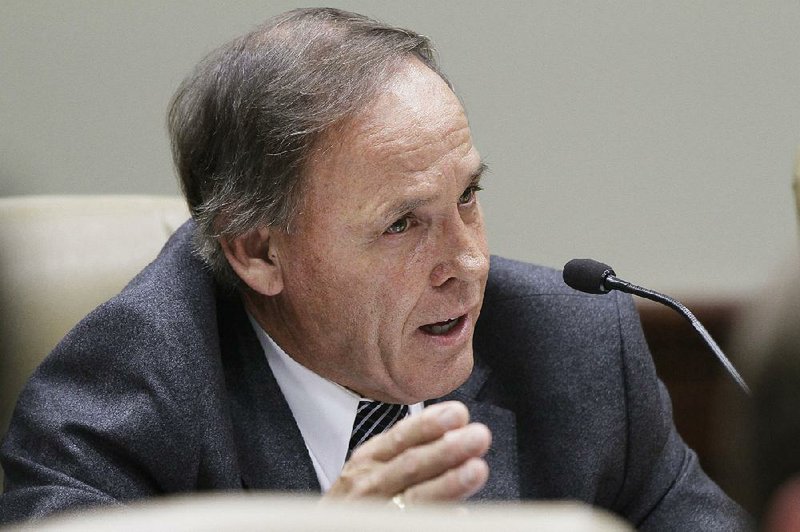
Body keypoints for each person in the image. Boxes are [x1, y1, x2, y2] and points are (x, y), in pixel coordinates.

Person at [0, 7, 747, 529]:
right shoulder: (125, 393)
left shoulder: (576, 347)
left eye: (469, 197)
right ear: (258, 252)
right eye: (402, 224)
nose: (467, 261)